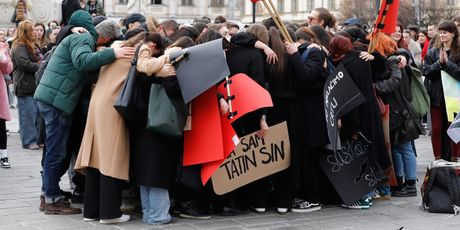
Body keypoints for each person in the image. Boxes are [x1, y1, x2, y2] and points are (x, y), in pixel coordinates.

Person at [34, 10, 135, 215]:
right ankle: (52, 198)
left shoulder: (75, 34)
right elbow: (83, 61)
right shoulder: (84, 37)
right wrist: (113, 53)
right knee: (56, 151)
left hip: (51, 98)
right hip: (56, 100)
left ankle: (49, 193)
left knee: (55, 150)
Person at [130, 32, 181, 225]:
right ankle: (159, 215)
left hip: (140, 124)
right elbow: (173, 89)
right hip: (161, 123)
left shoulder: (136, 66)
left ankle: (149, 213)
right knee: (159, 169)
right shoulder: (164, 69)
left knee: (145, 170)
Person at [423, 21, 460, 163]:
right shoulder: (433, 52)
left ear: (453, 34)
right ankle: (437, 159)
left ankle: (455, 159)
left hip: (455, 97)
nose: (442, 34)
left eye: (446, 32)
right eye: (441, 32)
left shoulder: (458, 52)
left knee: (455, 128)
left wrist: (447, 64)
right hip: (437, 96)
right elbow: (426, 71)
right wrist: (439, 64)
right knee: (437, 129)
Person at [11, 20, 41, 150]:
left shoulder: (33, 45)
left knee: (37, 114)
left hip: (34, 84)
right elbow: (25, 64)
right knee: (27, 114)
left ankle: (37, 139)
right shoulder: (19, 46)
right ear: (25, 32)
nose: (34, 32)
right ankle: (29, 140)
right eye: (32, 30)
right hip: (24, 84)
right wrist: (40, 66)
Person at [0, 37, 13, 168]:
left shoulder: (2, 47)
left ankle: (3, 155)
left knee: (0, 125)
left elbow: (8, 69)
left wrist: (2, 56)